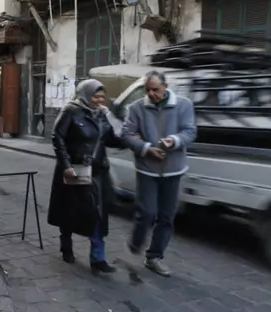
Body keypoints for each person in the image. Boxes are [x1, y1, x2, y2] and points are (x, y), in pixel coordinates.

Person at [122, 70, 196, 277]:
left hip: (174, 170)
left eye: (155, 89)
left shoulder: (183, 105)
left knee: (166, 216)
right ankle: (135, 243)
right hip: (147, 169)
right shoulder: (136, 108)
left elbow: (190, 131)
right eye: (148, 90)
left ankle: (154, 257)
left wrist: (174, 141)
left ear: (165, 86)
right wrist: (146, 148)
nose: (151, 94)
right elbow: (126, 134)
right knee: (146, 213)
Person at [47, 79, 122, 275]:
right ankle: (66, 245)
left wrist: (116, 122)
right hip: (76, 169)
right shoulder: (71, 110)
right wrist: (66, 165)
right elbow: (58, 137)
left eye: (102, 97)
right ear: (86, 95)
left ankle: (98, 259)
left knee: (97, 213)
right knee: (70, 209)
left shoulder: (103, 115)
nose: (100, 100)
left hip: (97, 172)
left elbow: (112, 139)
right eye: (96, 96)